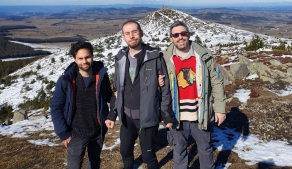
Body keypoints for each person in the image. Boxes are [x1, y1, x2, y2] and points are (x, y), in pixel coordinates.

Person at [105, 20, 174, 169]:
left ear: (141, 33)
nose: (132, 36)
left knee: (148, 155)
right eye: (127, 33)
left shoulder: (154, 57)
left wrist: (166, 115)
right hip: (127, 118)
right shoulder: (120, 58)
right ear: (123, 36)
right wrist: (112, 114)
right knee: (125, 151)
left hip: (147, 117)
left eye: (135, 32)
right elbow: (116, 88)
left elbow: (165, 90)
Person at [163, 21, 226, 169]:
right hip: (177, 112)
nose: (180, 37)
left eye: (183, 33)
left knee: (205, 148)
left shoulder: (204, 56)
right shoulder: (165, 59)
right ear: (171, 38)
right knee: (179, 149)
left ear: (189, 35)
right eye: (176, 35)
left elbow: (217, 82)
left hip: (201, 111)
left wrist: (220, 108)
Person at [50, 41, 112, 169]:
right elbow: (56, 107)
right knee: (74, 166)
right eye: (80, 58)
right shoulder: (66, 80)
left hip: (97, 131)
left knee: (94, 163)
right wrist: (63, 133)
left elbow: (108, 97)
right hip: (75, 133)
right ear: (75, 59)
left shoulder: (101, 77)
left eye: (87, 57)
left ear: (92, 56)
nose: (85, 61)